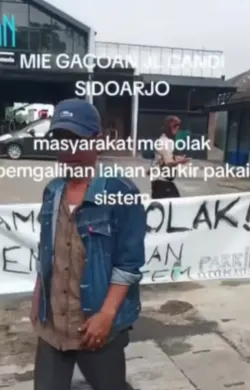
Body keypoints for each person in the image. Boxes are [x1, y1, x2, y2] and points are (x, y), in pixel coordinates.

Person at [31, 99, 146, 390]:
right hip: (53, 326)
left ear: (97, 140)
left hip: (95, 327)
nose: (67, 152)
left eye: (76, 141)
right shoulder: (53, 191)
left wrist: (106, 315)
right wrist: (38, 300)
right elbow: (48, 251)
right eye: (60, 141)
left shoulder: (120, 192)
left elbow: (128, 264)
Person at [150, 116, 189, 198]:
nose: (177, 130)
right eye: (175, 127)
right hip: (160, 181)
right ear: (169, 127)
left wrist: (176, 158)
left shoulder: (169, 141)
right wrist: (181, 161)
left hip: (164, 180)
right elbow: (168, 162)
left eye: (178, 127)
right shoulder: (162, 142)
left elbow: (167, 156)